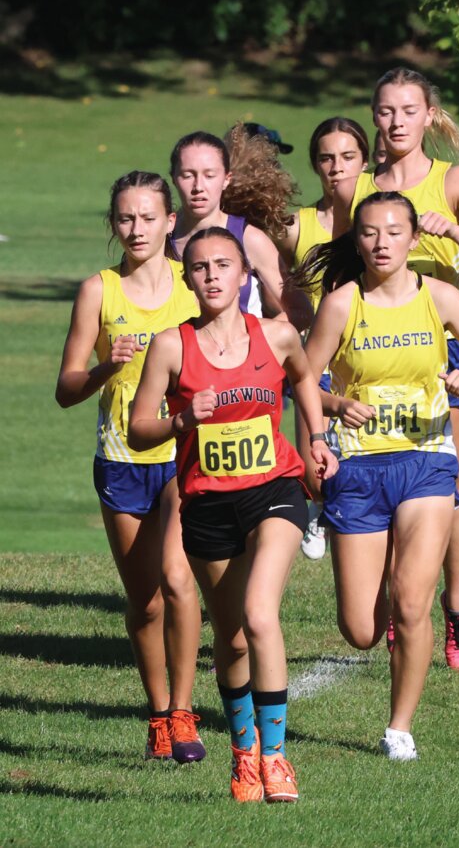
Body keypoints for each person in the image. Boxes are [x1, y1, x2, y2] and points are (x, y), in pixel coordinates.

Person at [300, 191, 459, 759]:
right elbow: (305, 381)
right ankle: (393, 590)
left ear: (415, 238)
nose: (382, 242)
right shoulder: (342, 304)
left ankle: (400, 728)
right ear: (358, 241)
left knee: (414, 603)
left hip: (427, 463)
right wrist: (334, 410)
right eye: (369, 232)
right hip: (360, 468)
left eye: (395, 231)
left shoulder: (440, 297)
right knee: (361, 630)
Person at [128, 226, 338, 801]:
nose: (213, 275)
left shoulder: (277, 336)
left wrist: (319, 438)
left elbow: (304, 378)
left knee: (260, 612)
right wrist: (181, 420)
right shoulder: (171, 346)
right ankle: (243, 753)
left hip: (274, 488)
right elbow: (138, 428)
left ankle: (275, 759)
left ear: (244, 274)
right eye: (200, 267)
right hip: (206, 503)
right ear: (188, 278)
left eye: (224, 265)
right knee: (234, 638)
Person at [332, 67, 459, 670]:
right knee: (381, 475)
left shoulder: (452, 179)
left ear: (429, 116)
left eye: (409, 110)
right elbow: (333, 257)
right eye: (385, 111)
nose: (396, 122)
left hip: (437, 346)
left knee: (444, 483)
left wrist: (451, 240)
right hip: (367, 342)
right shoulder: (360, 186)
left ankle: (456, 613)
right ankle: (400, 605)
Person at [55, 171, 205, 763]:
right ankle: (157, 712)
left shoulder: (193, 289)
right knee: (144, 601)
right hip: (121, 459)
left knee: (177, 579)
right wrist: (103, 368)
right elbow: (66, 389)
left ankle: (184, 712)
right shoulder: (99, 291)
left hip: (180, 456)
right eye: (125, 218)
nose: (136, 228)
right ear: (112, 225)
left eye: (148, 217)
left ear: (171, 223)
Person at [278, 117, 370, 560]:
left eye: (348, 157)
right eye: (326, 158)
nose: (337, 167)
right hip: (314, 360)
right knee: (315, 472)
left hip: (371, 356)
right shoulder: (297, 226)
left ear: (366, 162)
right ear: (315, 165)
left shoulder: (381, 220)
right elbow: (270, 280)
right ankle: (320, 508)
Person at [169, 129, 311, 329]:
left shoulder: (249, 238)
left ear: (226, 179)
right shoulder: (158, 237)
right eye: (187, 175)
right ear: (173, 178)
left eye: (209, 175)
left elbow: (301, 312)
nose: (198, 186)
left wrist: (248, 339)